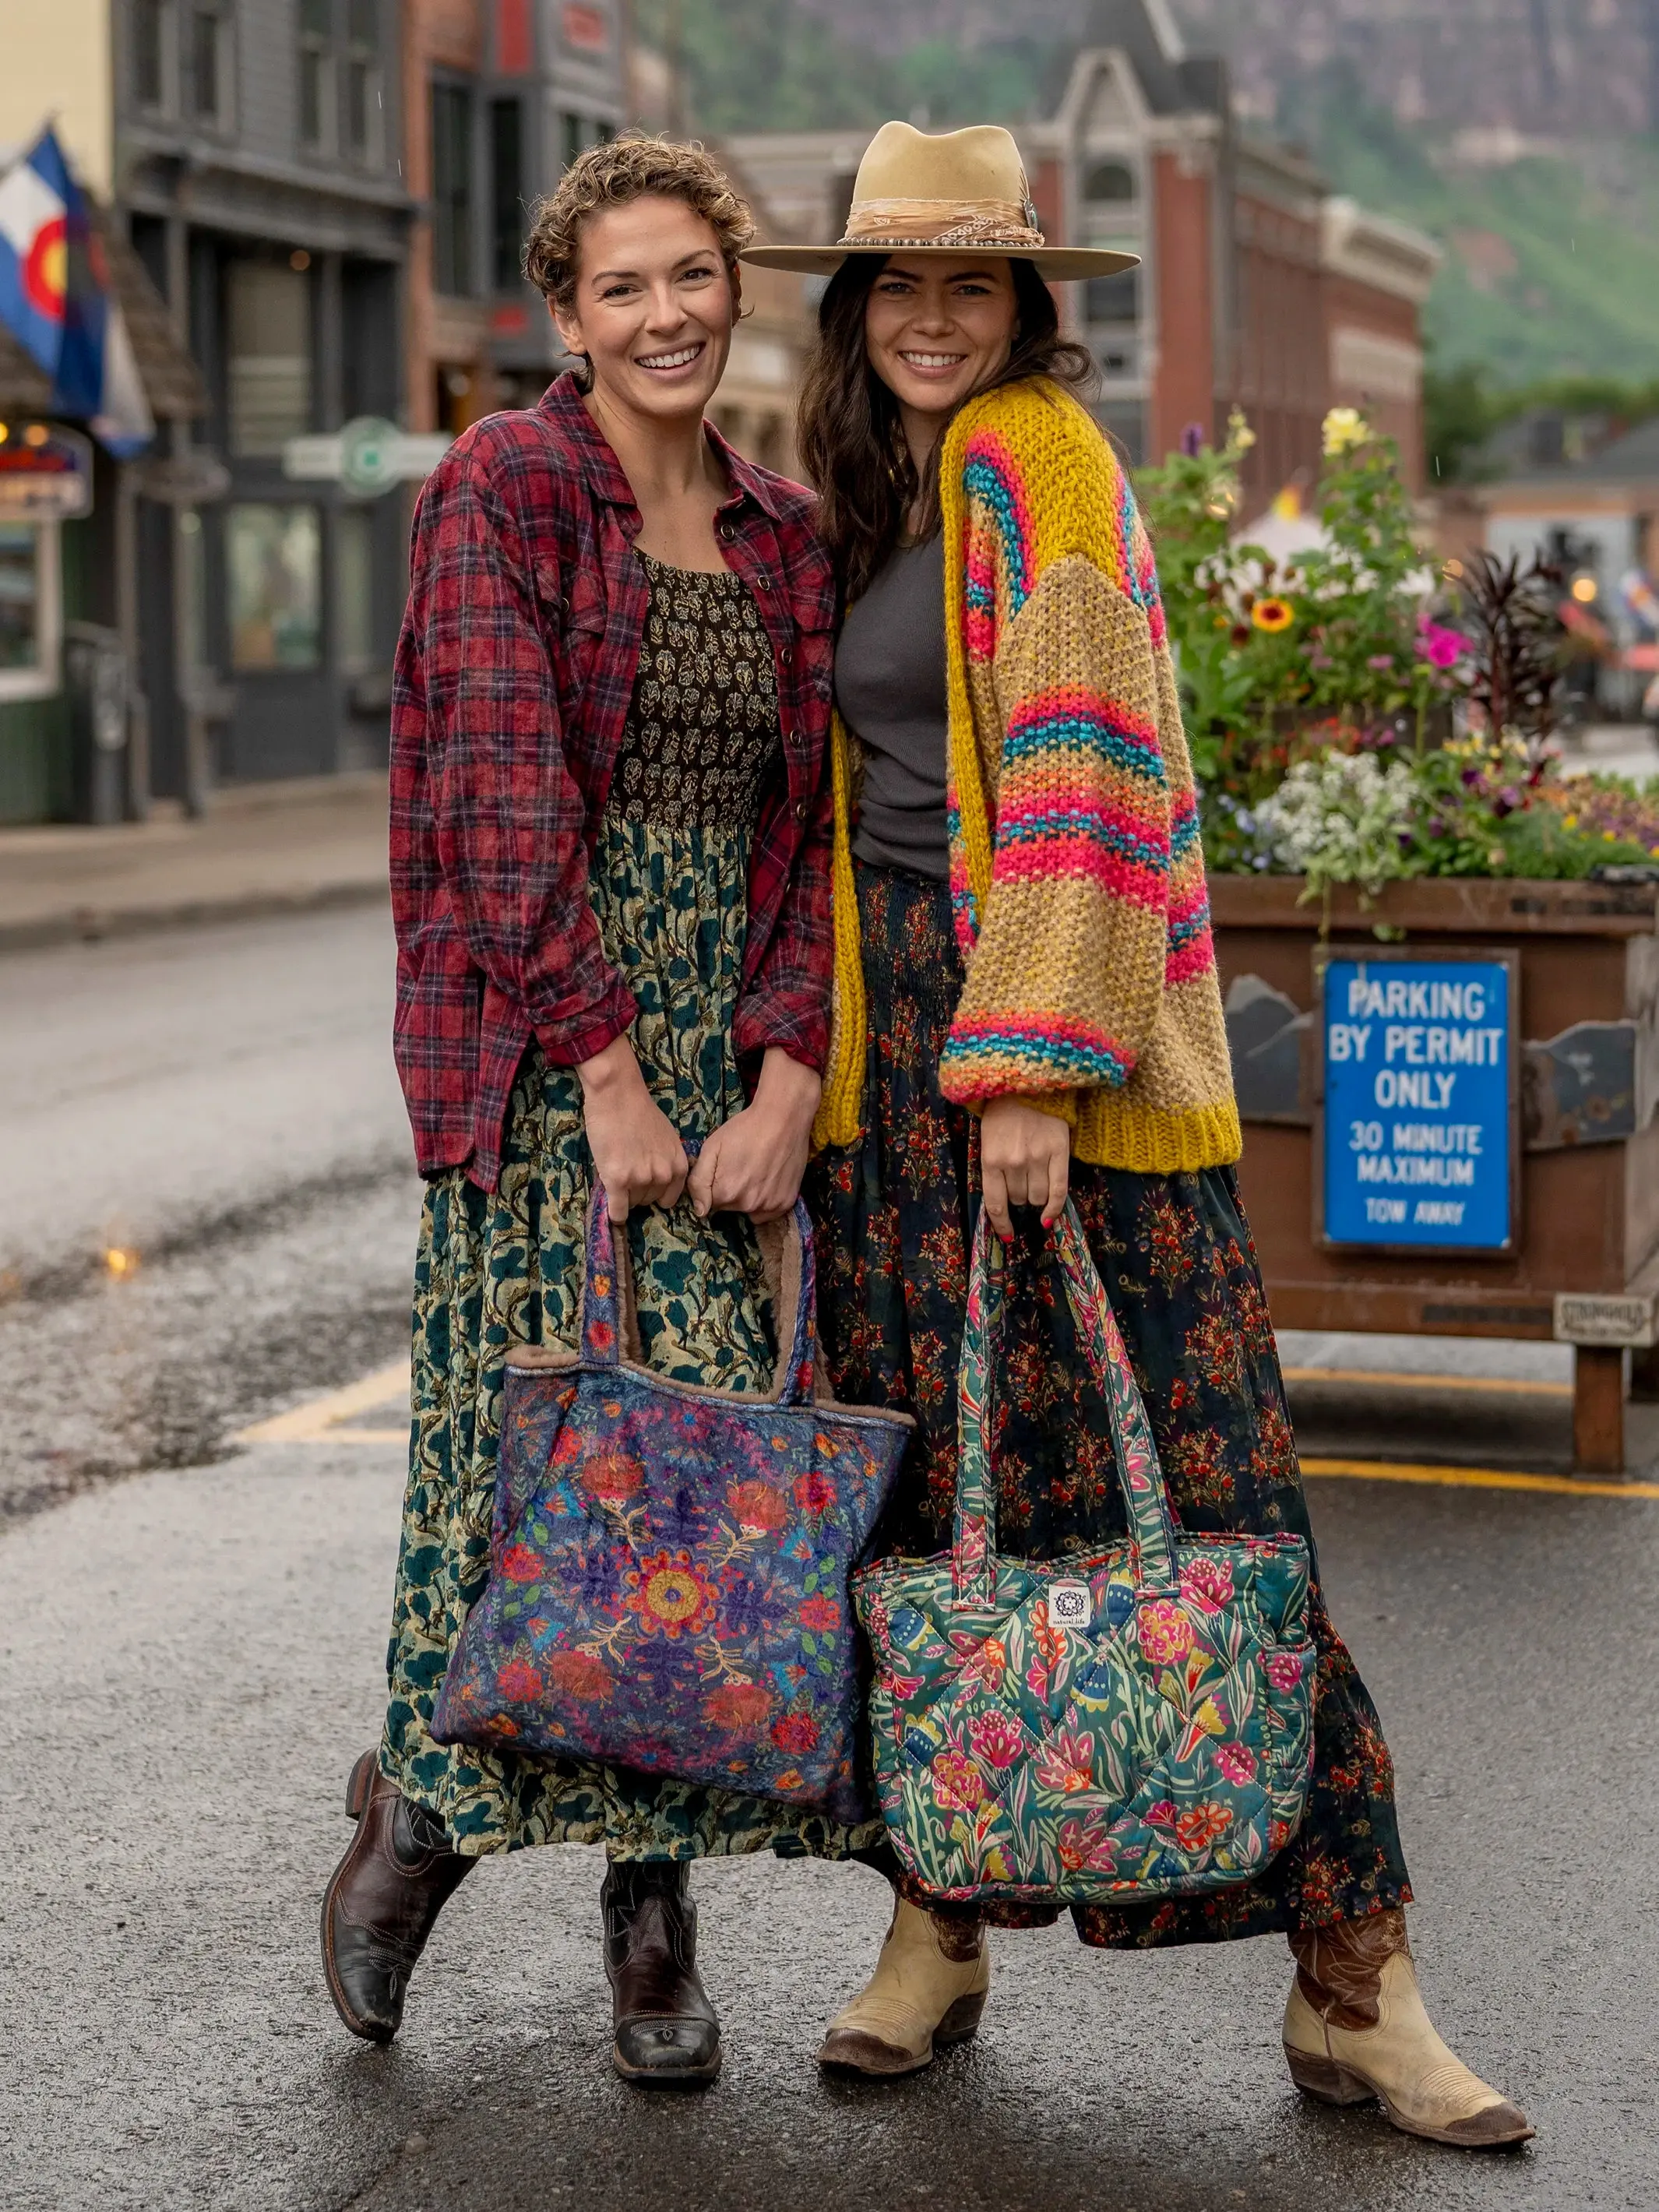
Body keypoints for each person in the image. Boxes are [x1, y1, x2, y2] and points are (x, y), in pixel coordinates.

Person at [747, 121, 1533, 2148]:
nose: (934, 318)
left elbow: (1089, 778)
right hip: (890, 1078)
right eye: (899, 287)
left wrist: (1028, 1066)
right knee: (938, 1514)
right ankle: (936, 1937)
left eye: (971, 285)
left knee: (1215, 1506)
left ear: (1026, 308)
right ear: (855, 314)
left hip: (1065, 1061)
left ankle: (1357, 1981)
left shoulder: (1040, 460)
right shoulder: (872, 493)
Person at [321, 134, 853, 2087]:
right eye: (622, 287)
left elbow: (807, 844)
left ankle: (653, 1911)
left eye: (692, 278)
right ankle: (417, 1832)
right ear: (568, 315)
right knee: (511, 1476)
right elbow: (498, 795)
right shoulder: (508, 487)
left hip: (728, 1068)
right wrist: (608, 1069)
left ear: (736, 290)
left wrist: (788, 1068)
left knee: (693, 1508)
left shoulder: (789, 533)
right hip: (548, 1057)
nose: (665, 316)